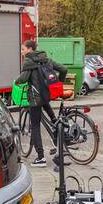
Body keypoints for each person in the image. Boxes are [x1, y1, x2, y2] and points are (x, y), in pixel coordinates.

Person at [15, 39, 67, 167]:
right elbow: (63, 69)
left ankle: (40, 157)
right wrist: (59, 83)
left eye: (23, 49)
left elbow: (24, 78)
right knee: (53, 119)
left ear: (30, 49)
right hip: (46, 95)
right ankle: (59, 136)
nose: (22, 52)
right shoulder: (45, 58)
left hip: (35, 98)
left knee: (35, 126)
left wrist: (16, 81)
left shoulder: (29, 60)